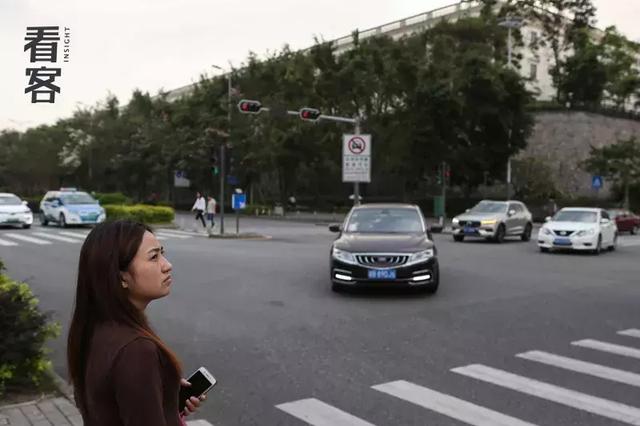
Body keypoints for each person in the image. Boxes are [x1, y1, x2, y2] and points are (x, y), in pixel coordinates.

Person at [67, 221, 207, 426]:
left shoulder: (95, 329)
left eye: (162, 253)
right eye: (153, 257)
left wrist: (165, 396)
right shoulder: (135, 350)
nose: (167, 265)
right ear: (121, 277)